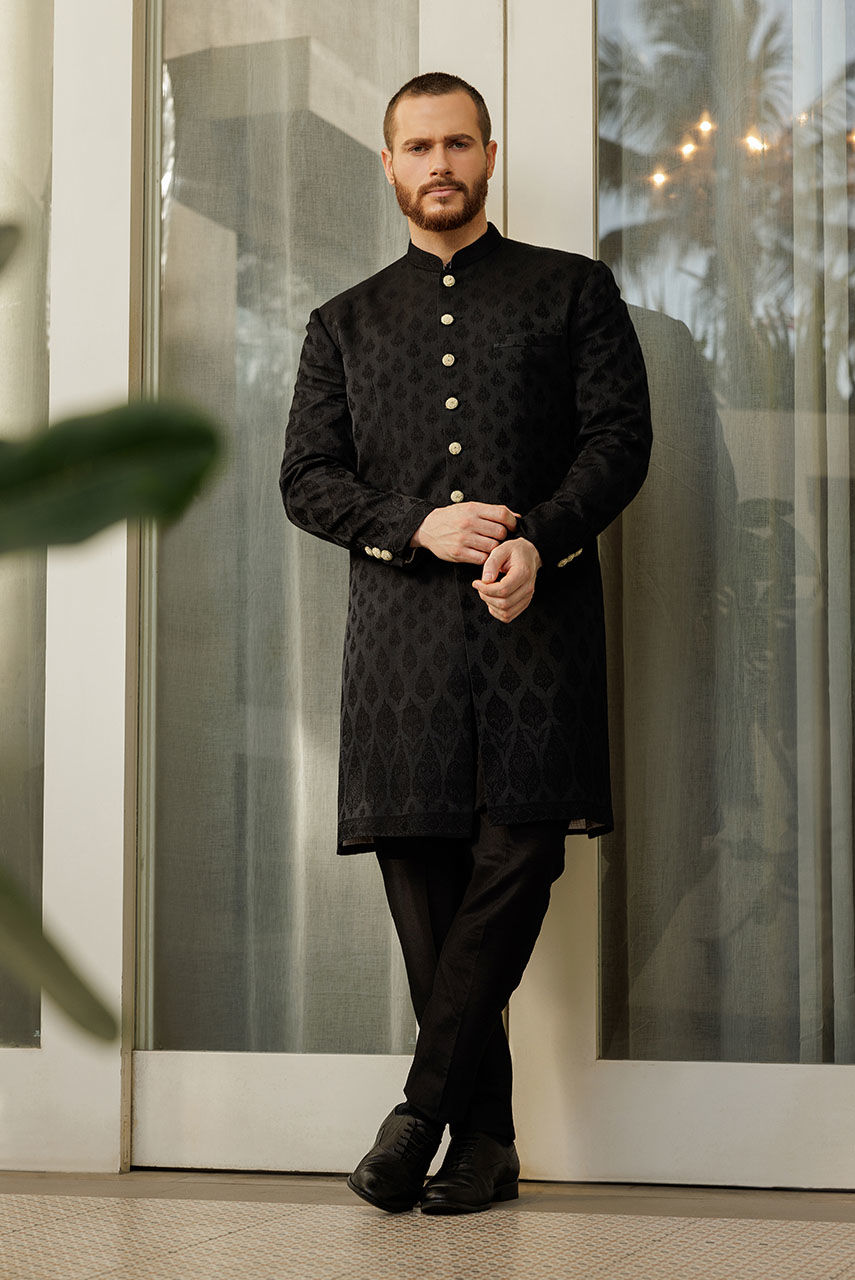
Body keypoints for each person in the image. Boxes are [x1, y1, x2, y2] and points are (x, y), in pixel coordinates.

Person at [280, 71, 651, 1215]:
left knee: (520, 856)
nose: (438, 164)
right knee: (426, 888)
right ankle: (485, 1143)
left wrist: (541, 537)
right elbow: (306, 478)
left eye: (457, 143)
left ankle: (419, 1111)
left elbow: (619, 439)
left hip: (537, 625)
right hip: (400, 645)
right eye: (417, 147)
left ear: (488, 155)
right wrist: (416, 526)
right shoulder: (341, 323)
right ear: (388, 165)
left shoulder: (573, 291)